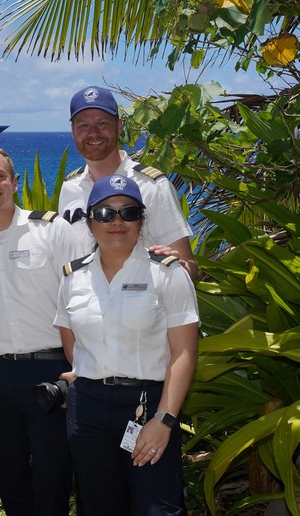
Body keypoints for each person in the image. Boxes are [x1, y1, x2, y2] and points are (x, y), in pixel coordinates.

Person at [54, 175, 199, 515]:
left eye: (128, 213)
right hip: (88, 410)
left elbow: (184, 352)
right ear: (90, 222)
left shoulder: (167, 273)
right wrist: (90, 371)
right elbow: (69, 336)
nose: (116, 222)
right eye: (105, 213)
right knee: (99, 505)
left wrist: (164, 419)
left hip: (147, 405)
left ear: (141, 221)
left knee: (157, 508)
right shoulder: (72, 277)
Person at [0, 144, 82, 516]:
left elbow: (77, 303)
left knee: (51, 473)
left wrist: (78, 372)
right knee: (8, 475)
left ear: (15, 182)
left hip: (48, 369)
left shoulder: (52, 230)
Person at [58, 85, 198, 280]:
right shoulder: (70, 187)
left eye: (102, 124)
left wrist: (177, 268)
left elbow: (189, 265)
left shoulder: (151, 185)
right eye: (83, 125)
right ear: (73, 131)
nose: (93, 133)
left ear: (119, 126)